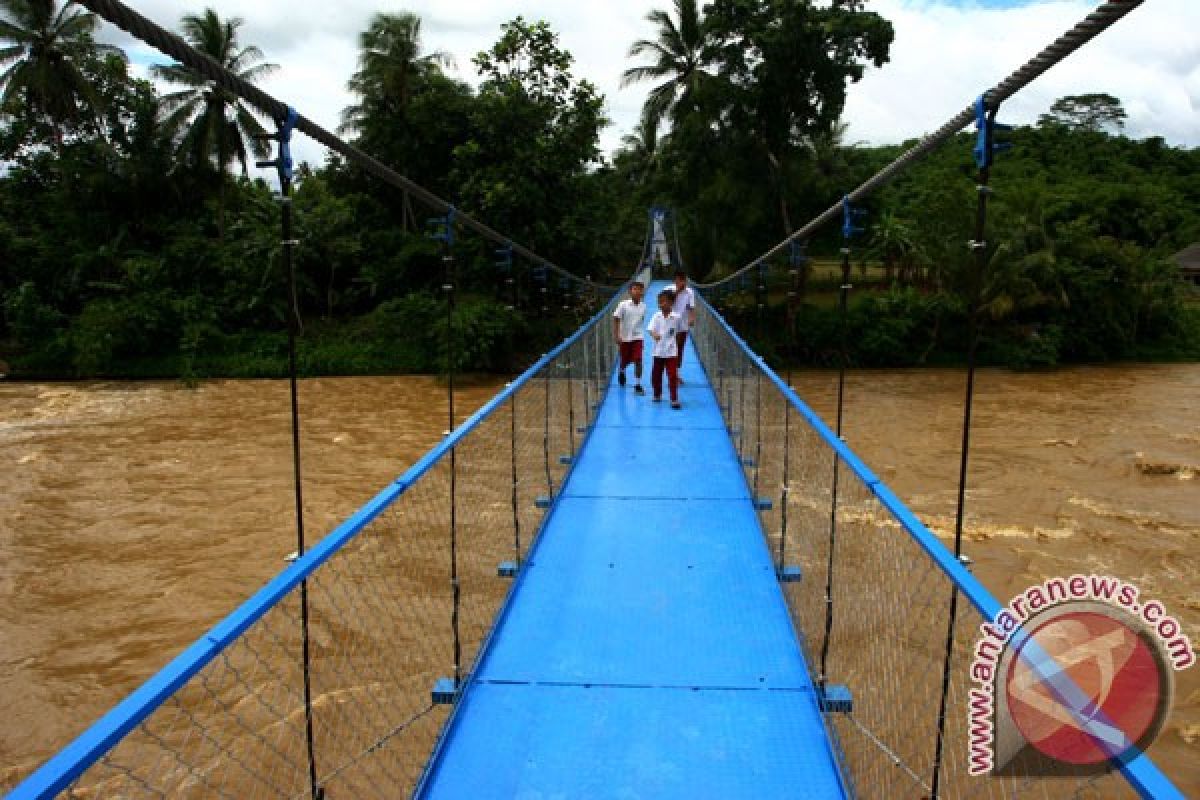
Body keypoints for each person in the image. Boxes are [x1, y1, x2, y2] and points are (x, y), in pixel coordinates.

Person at [647, 288, 683, 409]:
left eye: (664, 301)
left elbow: (678, 333)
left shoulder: (677, 317)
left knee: (672, 375)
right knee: (656, 375)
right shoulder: (656, 316)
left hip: (671, 352)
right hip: (658, 352)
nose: (661, 304)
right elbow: (650, 329)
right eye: (659, 302)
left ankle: (674, 398)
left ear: (671, 303)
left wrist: (676, 347)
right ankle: (657, 393)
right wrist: (654, 335)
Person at [612, 280, 646, 394]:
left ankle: (637, 384)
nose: (637, 291)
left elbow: (641, 320)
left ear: (642, 292)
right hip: (625, 337)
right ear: (630, 291)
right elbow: (616, 318)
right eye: (635, 289)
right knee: (625, 360)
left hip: (638, 337)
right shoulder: (623, 304)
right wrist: (616, 335)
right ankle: (622, 371)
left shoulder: (643, 306)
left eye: (639, 289)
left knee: (638, 360)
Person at [671, 270, 696, 380]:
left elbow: (691, 307)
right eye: (677, 280)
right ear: (675, 280)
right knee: (671, 348)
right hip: (670, 324)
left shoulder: (690, 292)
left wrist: (691, 318)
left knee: (680, 348)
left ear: (685, 280)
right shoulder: (669, 290)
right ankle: (672, 372)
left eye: (682, 280)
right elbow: (667, 303)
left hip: (683, 324)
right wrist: (677, 291)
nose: (680, 282)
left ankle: (676, 373)